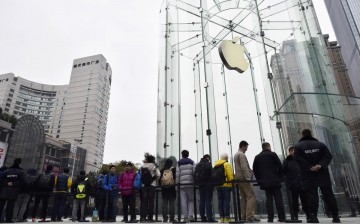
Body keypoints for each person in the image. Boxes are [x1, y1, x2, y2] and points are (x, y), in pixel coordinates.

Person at [295, 129, 340, 223]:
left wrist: (309, 167)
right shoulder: (320, 144)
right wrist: (320, 165)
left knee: (311, 195)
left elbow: (298, 159)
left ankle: (313, 217)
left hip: (309, 174)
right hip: (322, 173)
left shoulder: (298, 146)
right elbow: (328, 156)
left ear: (302, 135)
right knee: (328, 194)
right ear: (311, 134)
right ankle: (335, 216)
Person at [253, 142, 286, 222]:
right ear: (268, 147)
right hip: (275, 179)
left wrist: (259, 179)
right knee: (278, 198)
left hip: (265, 181)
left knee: (269, 199)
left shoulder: (257, 157)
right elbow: (280, 166)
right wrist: (279, 177)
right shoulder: (273, 154)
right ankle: (281, 217)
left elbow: (255, 170)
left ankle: (270, 218)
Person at [233, 141, 257, 222]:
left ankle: (244, 216)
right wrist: (248, 178)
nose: (247, 149)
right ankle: (249, 217)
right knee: (251, 197)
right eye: (246, 147)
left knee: (243, 198)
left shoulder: (236, 154)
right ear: (243, 146)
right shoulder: (241, 155)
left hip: (239, 179)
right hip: (244, 179)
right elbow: (244, 167)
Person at [283, 146, 307, 221]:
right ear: (289, 152)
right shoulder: (286, 161)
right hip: (293, 183)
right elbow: (284, 172)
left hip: (302, 183)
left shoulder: (300, 159)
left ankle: (308, 214)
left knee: (305, 199)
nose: (293, 152)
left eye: (294, 150)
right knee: (294, 200)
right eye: (291, 150)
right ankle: (295, 215)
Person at [0, 158, 24, 223]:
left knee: (1, 206)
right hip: (14, 191)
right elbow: (21, 182)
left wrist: (7, 183)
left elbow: (1, 179)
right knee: (10, 206)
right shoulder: (21, 172)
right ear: (20, 162)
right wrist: (13, 183)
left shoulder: (6, 171)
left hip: (4, 190)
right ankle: (8, 219)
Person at [140, 153, 160, 223]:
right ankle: (150, 218)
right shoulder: (154, 166)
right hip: (152, 185)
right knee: (151, 202)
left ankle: (143, 218)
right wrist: (153, 179)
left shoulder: (142, 166)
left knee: (144, 202)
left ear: (147, 160)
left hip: (144, 186)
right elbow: (158, 174)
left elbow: (141, 176)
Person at [194, 154, 215, 222]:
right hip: (208, 185)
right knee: (208, 201)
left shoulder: (198, 165)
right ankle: (210, 218)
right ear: (208, 158)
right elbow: (212, 175)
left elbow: (195, 175)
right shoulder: (208, 164)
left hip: (201, 185)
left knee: (202, 200)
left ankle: (203, 217)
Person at [176, 150, 195, 222]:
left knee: (183, 201)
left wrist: (177, 184)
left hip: (182, 184)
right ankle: (191, 216)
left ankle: (185, 217)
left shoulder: (179, 163)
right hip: (190, 184)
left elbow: (177, 174)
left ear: (182, 155)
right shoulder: (192, 162)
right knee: (191, 200)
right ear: (188, 154)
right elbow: (194, 172)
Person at [214, 153, 234, 223]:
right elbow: (230, 175)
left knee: (220, 201)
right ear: (226, 158)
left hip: (218, 185)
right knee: (226, 201)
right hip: (226, 185)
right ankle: (227, 217)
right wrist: (232, 184)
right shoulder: (226, 164)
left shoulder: (216, 165)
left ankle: (222, 217)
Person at [159, 158, 176, 222]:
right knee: (172, 204)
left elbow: (159, 179)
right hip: (172, 188)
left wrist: (161, 185)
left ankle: (165, 218)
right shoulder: (174, 170)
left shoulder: (162, 170)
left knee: (164, 204)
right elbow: (175, 178)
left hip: (164, 189)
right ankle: (172, 218)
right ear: (171, 163)